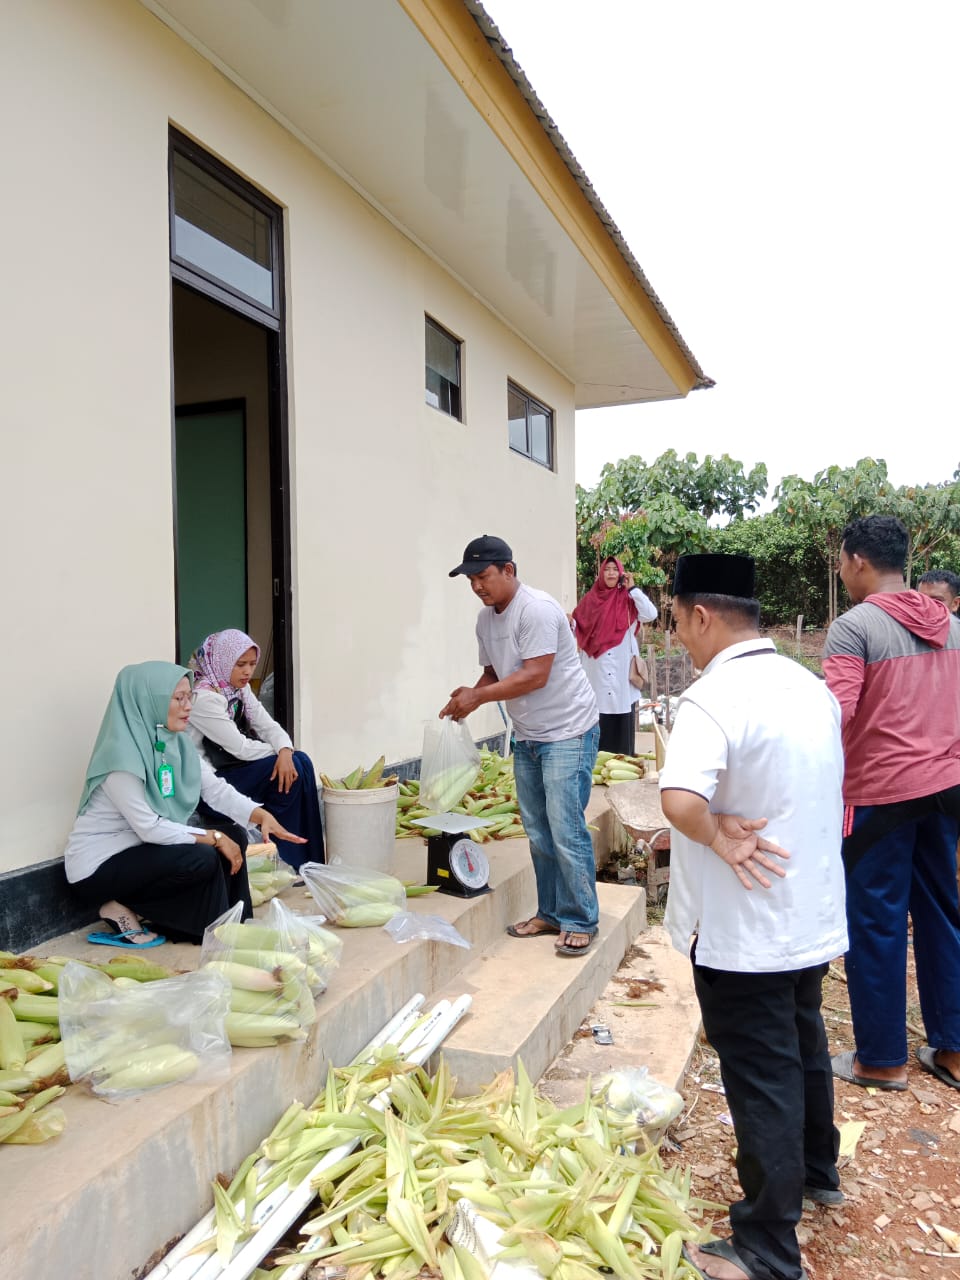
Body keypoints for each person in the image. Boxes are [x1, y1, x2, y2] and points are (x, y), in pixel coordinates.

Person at [659, 553, 847, 1280]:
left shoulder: (713, 697)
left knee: (762, 1071)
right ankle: (819, 1170)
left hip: (742, 928)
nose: (678, 636)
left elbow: (681, 799)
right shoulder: (810, 687)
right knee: (803, 1042)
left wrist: (715, 833)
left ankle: (767, 1248)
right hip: (807, 912)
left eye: (678, 621)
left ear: (702, 615)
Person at [823, 515, 960, 1093]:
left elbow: (835, 714)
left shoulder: (853, 628)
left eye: (841, 561)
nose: (841, 570)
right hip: (946, 789)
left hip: (879, 795)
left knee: (876, 920)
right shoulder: (953, 626)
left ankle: (881, 1059)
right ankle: (952, 1049)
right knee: (942, 913)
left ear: (858, 561)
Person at [64, 662, 306, 946]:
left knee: (235, 835)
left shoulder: (176, 743)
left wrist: (259, 815)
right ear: (149, 701)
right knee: (202, 855)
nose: (187, 706)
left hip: (141, 852)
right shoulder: (121, 759)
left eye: (189, 697)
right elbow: (150, 828)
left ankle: (234, 923)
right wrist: (214, 838)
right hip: (98, 869)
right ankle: (146, 912)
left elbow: (215, 789)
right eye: (178, 698)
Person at [440, 535, 601, 957]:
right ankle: (551, 913)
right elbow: (495, 674)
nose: (477, 586)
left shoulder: (537, 610)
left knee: (565, 829)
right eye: (471, 580)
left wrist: (478, 697)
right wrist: (467, 699)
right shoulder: (485, 620)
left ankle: (581, 919)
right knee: (538, 831)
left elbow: (535, 675)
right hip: (528, 734)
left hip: (568, 730)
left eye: (483, 576)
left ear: (508, 570)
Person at [186, 630, 324, 870]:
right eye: (240, 664)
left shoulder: (236, 688)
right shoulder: (204, 697)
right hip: (209, 786)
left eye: (252, 664)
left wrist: (285, 750)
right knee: (291, 768)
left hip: (234, 770)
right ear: (221, 661)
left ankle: (309, 860)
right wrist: (280, 755)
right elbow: (240, 748)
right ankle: (291, 859)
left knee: (301, 761)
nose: (248, 671)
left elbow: (267, 725)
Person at [570, 555, 658, 754]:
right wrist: (568, 621)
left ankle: (623, 759)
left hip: (621, 671)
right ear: (601, 573)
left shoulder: (628, 599)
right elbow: (577, 626)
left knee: (621, 713)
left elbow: (650, 614)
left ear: (621, 573)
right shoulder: (590, 600)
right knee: (597, 716)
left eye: (615, 569)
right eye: (607, 569)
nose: (611, 573)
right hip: (596, 669)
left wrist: (633, 589)